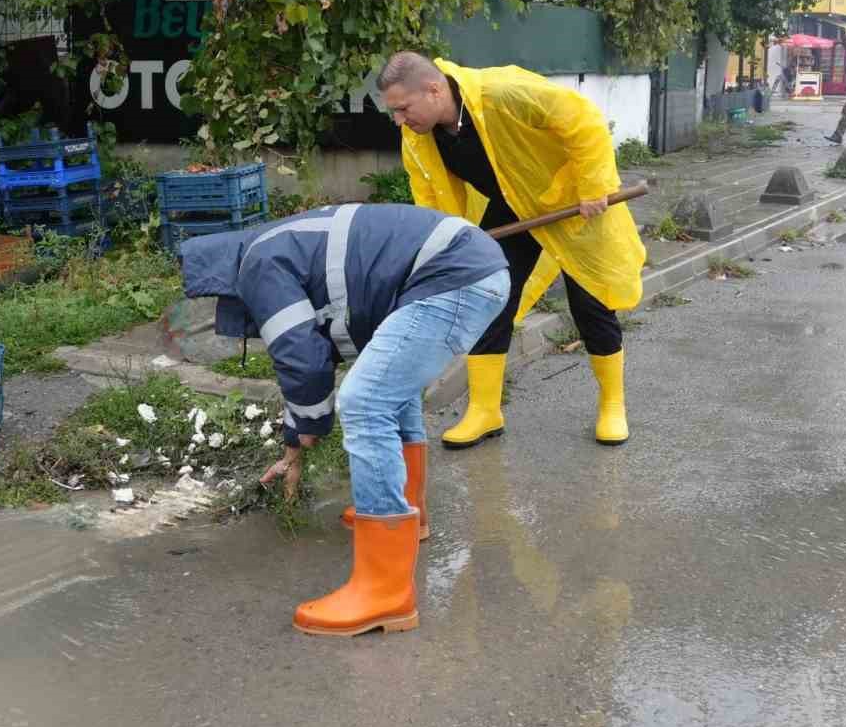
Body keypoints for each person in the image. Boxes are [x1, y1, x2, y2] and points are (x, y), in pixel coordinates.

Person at [180, 203, 509, 637]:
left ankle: (384, 593)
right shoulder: (281, 245)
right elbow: (316, 350)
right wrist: (295, 439)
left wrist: (307, 433)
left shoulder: (257, 266)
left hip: (453, 276)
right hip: (468, 268)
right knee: (391, 391)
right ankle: (408, 512)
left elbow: (301, 357)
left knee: (366, 400)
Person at [377, 52, 646, 450]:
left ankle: (612, 404)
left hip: (571, 198)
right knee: (487, 294)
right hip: (514, 203)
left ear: (433, 90)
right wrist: (443, 243)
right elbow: (428, 194)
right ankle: (486, 410)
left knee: (590, 301)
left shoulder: (503, 92)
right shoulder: (419, 136)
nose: (399, 120)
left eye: (402, 108)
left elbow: (582, 119)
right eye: (394, 112)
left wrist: (591, 187)